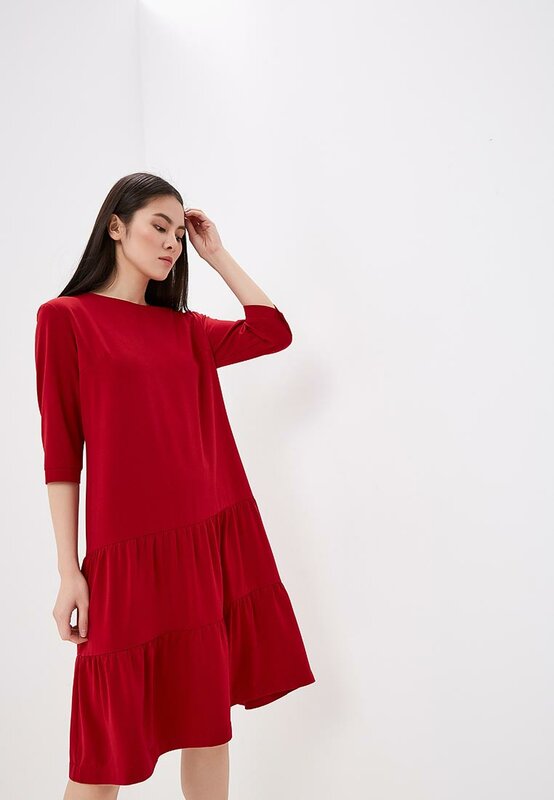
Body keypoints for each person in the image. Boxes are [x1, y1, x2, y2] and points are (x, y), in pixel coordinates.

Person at [34, 172, 316, 799]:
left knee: (207, 729)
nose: (170, 243)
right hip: (126, 559)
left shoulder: (186, 329)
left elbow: (272, 332)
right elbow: (61, 457)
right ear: (116, 227)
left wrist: (217, 254)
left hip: (200, 550)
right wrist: (68, 570)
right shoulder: (65, 319)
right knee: (104, 753)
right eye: (157, 227)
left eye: (178, 234)